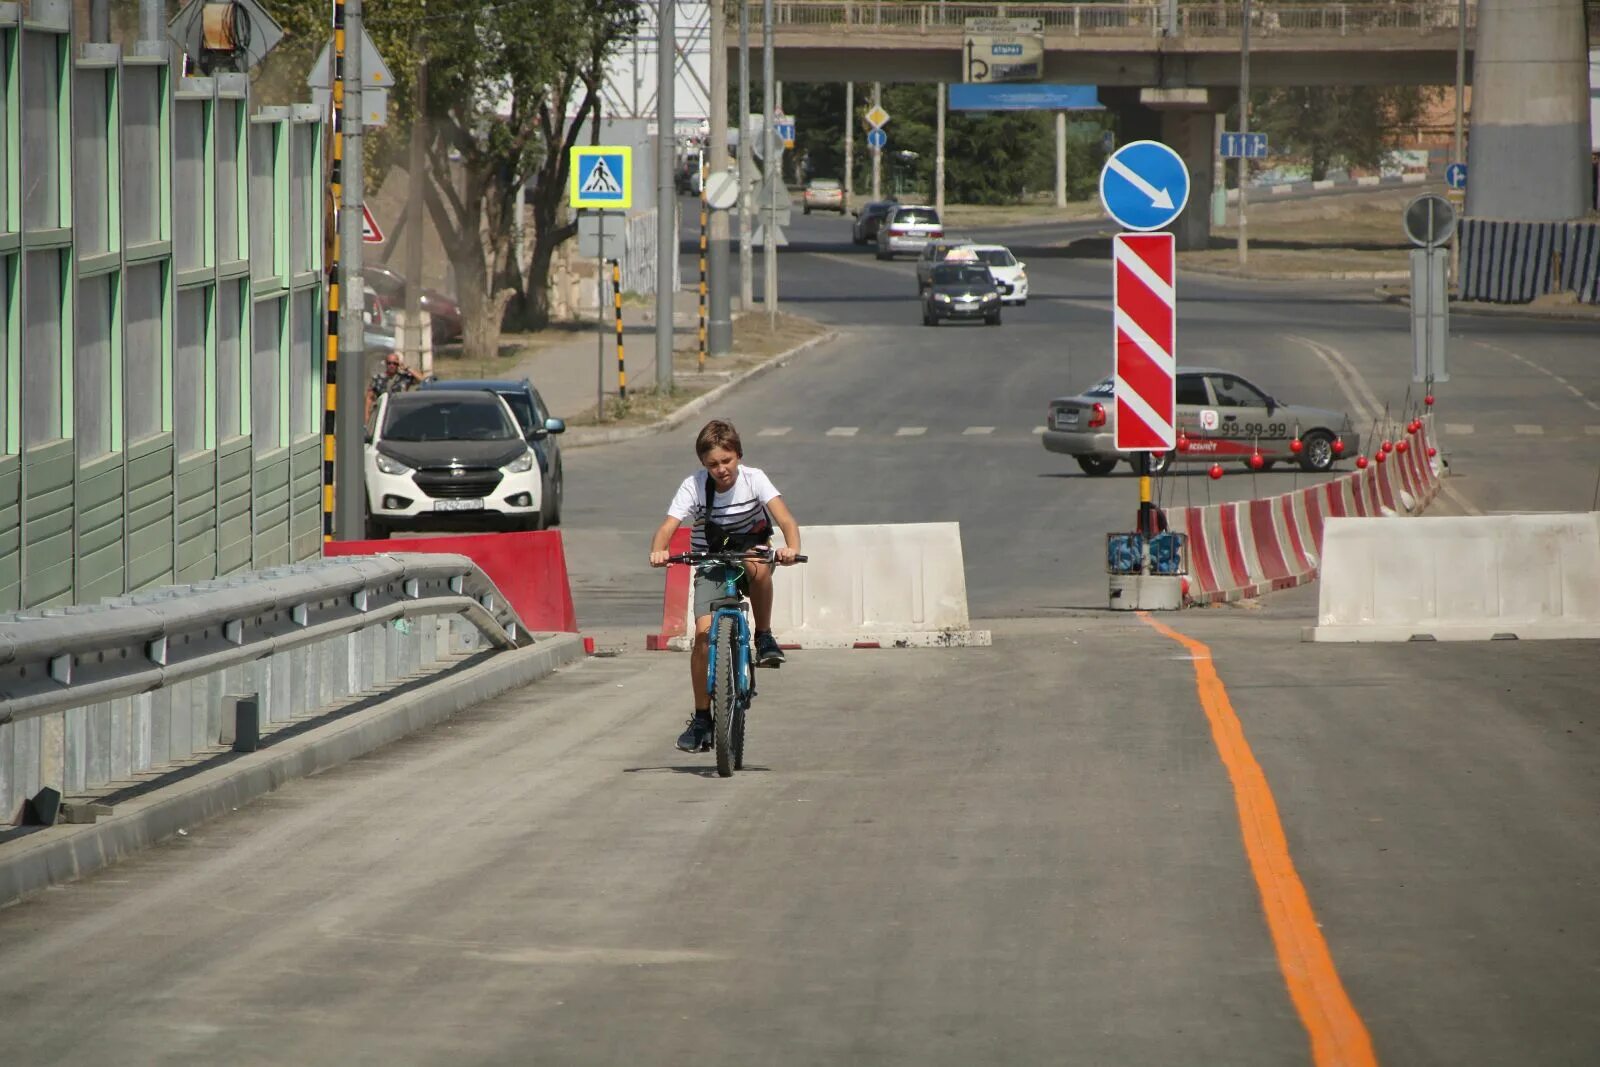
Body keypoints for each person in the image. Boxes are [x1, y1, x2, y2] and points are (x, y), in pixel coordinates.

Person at [649, 419, 801, 753]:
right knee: (703, 636)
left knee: (759, 566)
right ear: (704, 465)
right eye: (712, 464)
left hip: (751, 550)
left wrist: (791, 548)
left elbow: (786, 519)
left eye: (726, 461)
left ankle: (763, 635)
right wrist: (659, 550)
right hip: (711, 560)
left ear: (738, 456)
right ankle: (703, 718)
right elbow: (667, 527)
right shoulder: (694, 486)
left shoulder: (754, 479)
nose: (721, 470)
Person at [366, 351, 422, 420]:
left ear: (398, 364)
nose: (392, 366)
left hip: (399, 412)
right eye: (389, 363)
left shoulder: (404, 378)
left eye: (395, 363)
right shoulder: (377, 378)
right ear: (386, 364)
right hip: (382, 413)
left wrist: (407, 368)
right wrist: (367, 417)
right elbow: (369, 398)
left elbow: (422, 380)